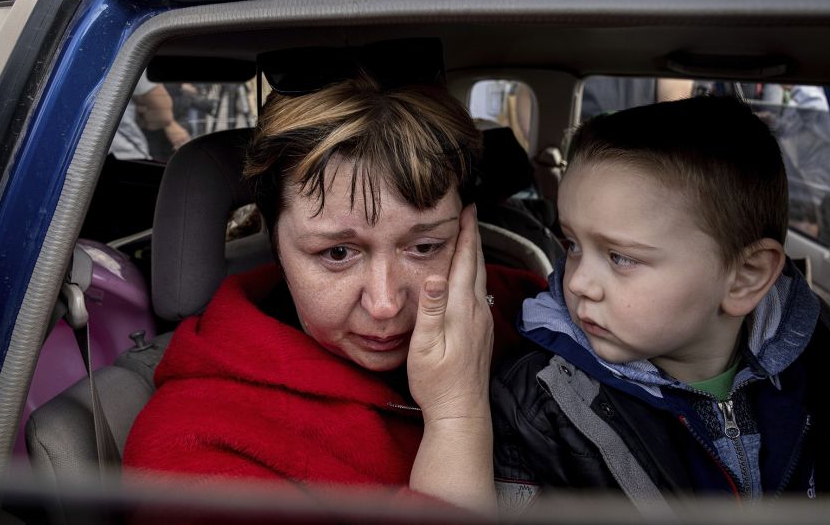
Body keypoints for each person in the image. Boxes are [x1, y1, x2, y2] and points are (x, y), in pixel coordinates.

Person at [124, 71, 546, 513]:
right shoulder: (195, 450)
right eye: (338, 252)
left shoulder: (529, 310)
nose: (385, 304)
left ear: (465, 231)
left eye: (425, 247)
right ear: (277, 244)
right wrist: (457, 415)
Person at [492, 96, 830, 513]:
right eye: (572, 245)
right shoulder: (538, 405)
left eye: (621, 257)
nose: (579, 281)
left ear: (744, 278)